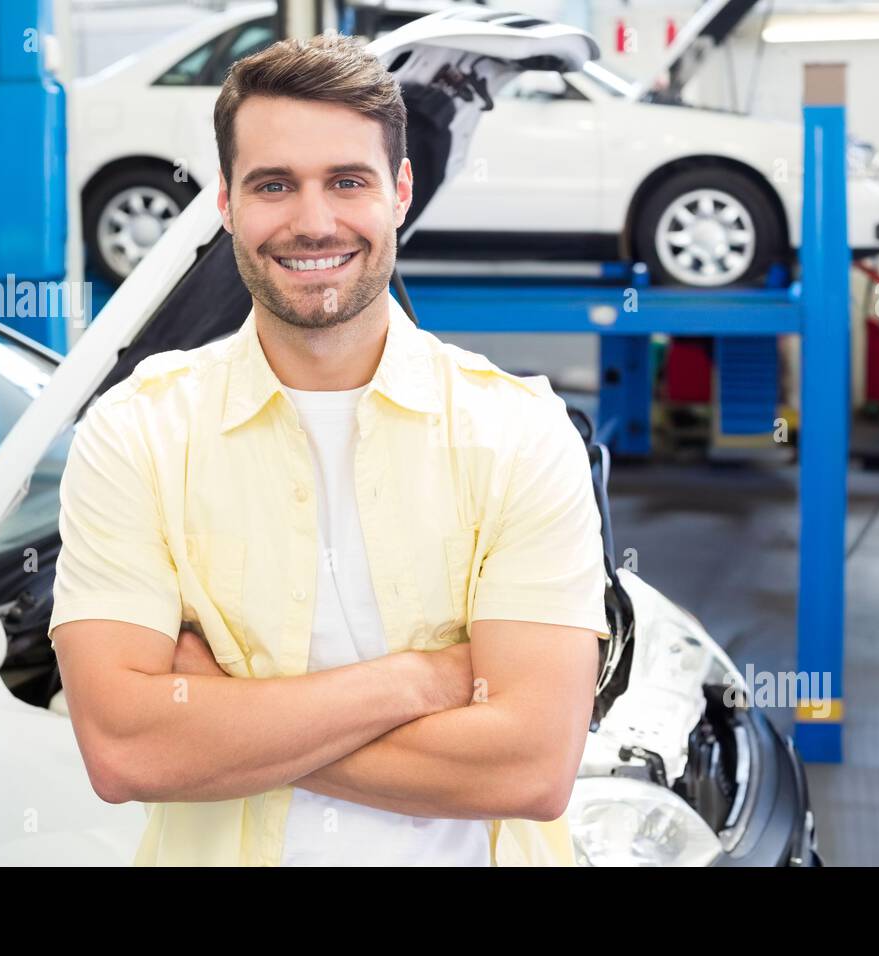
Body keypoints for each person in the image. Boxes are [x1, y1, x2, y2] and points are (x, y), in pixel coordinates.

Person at [48, 31, 611, 866]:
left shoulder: (519, 435)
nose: (313, 223)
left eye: (347, 182)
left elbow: (530, 765)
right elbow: (128, 752)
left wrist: (225, 721)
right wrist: (416, 681)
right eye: (274, 185)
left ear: (401, 193)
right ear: (227, 205)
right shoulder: (134, 437)